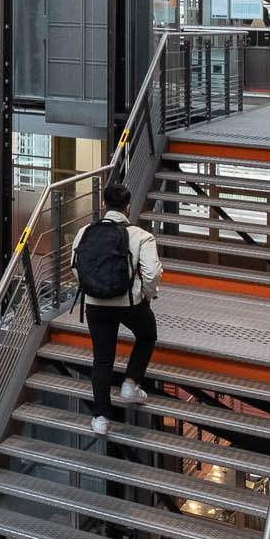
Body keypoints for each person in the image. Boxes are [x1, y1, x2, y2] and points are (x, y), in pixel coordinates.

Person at [72, 181, 163, 436]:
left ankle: (101, 418)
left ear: (103, 204)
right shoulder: (141, 236)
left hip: (95, 305)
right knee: (147, 335)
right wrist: (147, 294)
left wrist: (94, 289)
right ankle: (131, 383)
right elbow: (152, 272)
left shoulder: (84, 232)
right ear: (128, 206)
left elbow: (74, 266)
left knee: (102, 358)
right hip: (129, 303)